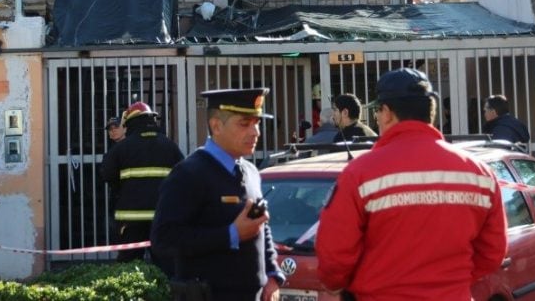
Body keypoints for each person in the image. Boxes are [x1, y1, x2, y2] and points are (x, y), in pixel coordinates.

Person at [316, 68, 507, 300]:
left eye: (377, 110)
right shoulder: (479, 174)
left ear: (386, 113)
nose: (377, 117)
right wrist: (449, 281)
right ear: (432, 113)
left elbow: (334, 256)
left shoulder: (360, 173)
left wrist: (345, 285)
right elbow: (492, 252)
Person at [151, 88, 284, 301]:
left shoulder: (250, 171)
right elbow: (164, 240)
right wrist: (230, 234)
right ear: (216, 126)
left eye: (256, 123)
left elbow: (261, 228)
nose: (255, 132)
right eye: (245, 124)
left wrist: (272, 276)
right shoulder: (189, 173)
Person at [100, 102, 183, 266]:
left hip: (130, 222)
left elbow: (106, 174)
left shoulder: (121, 148)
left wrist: (123, 189)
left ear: (130, 123)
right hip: (161, 219)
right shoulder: (169, 146)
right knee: (166, 267)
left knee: (128, 270)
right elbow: (182, 177)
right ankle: (166, 291)